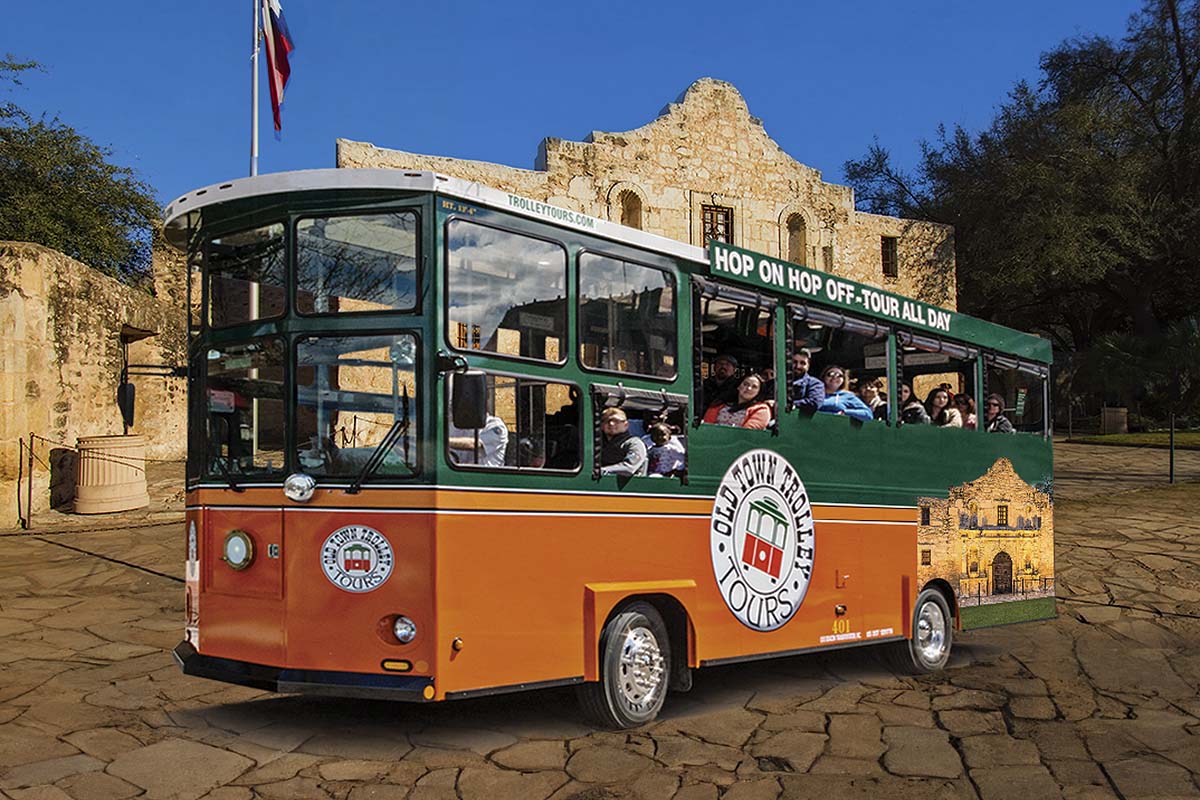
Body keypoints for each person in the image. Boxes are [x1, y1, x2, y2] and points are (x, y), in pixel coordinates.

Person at [703, 374, 772, 429]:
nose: (748, 388)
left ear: (758, 392)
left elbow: (748, 432)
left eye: (754, 387)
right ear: (739, 386)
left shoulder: (761, 409)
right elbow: (707, 425)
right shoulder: (720, 404)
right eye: (745, 384)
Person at [599, 407, 648, 476]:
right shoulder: (598, 443)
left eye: (616, 421)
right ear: (601, 425)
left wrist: (600, 471)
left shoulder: (634, 443)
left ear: (626, 425)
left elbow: (629, 468)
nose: (611, 424)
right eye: (606, 421)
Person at [789, 348, 825, 413]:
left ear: (808, 366)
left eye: (802, 363)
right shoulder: (777, 381)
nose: (798, 366)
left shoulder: (815, 384)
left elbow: (814, 403)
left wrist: (789, 404)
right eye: (794, 362)